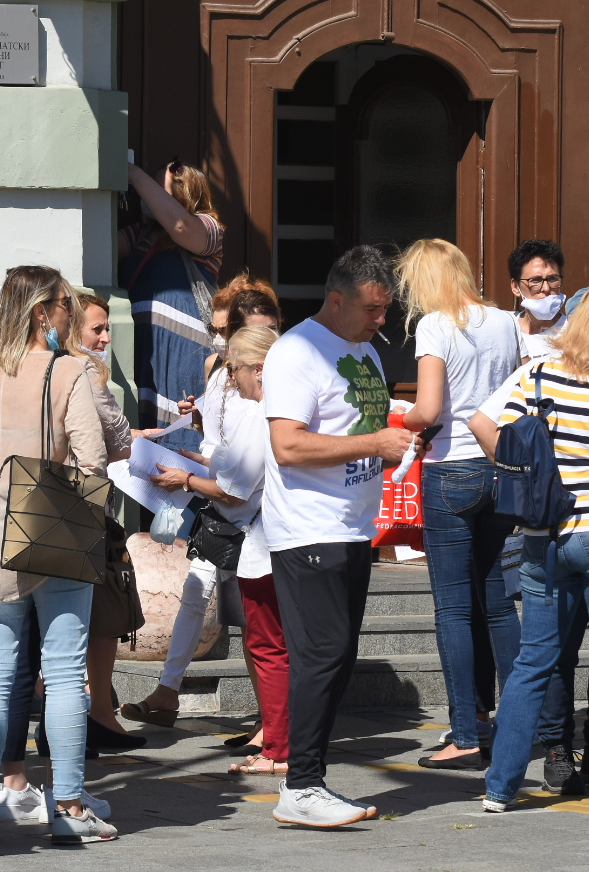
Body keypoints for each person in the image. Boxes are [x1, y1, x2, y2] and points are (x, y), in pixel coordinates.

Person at [0, 266, 117, 846]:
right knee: (67, 673)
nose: (71, 315)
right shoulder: (70, 370)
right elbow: (93, 460)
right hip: (55, 527)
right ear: (42, 311)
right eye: (66, 305)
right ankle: (68, 806)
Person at [263, 245, 416, 827]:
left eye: (386, 309)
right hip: (309, 527)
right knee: (321, 655)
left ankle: (307, 781)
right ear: (336, 299)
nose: (382, 321)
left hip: (353, 525)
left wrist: (398, 432)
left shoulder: (363, 351)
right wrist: (375, 445)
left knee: (336, 656)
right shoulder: (298, 351)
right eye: (373, 309)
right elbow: (289, 446)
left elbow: (360, 426)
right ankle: (300, 785)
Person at [481, 285, 589, 816]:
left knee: (534, 661)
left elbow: (499, 435)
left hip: (546, 539)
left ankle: (500, 787)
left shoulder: (538, 376)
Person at [120, 291, 281, 731]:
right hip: (225, 508)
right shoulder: (223, 374)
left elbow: (238, 478)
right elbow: (224, 448)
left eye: (224, 330)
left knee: (257, 624)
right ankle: (168, 693)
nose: (217, 338)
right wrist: (194, 433)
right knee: (198, 595)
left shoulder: (265, 398)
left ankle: (272, 724)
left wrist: (186, 477)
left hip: (252, 519)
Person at [394, 239, 524, 770]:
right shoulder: (504, 322)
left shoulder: (435, 326)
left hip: (450, 469)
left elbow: (428, 409)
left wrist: (398, 416)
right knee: (495, 600)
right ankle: (522, 718)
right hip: (498, 466)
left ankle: (465, 733)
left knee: (451, 607)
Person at [146, 327, 285, 774]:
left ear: (258, 368)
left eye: (237, 368)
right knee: (264, 640)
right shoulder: (260, 407)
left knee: (268, 643)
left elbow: (234, 490)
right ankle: (278, 736)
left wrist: (185, 479)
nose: (233, 377)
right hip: (256, 534)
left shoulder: (263, 410)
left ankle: (280, 743)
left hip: (259, 537)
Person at [68, 290, 151, 758]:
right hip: (84, 506)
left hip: (31, 506)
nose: (105, 337)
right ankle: (97, 714)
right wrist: (128, 435)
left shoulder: (15, 366)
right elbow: (116, 439)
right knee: (98, 616)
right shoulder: (81, 371)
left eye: (107, 327)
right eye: (96, 328)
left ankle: (94, 715)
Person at [119, 160, 223, 452]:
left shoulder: (209, 229)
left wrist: (134, 173)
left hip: (185, 353)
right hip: (145, 353)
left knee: (183, 436)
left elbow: (179, 226)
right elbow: (98, 249)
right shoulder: (141, 234)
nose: (146, 194)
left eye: (155, 188)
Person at [507, 239, 567, 361]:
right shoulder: (507, 329)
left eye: (552, 279)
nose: (546, 288)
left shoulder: (575, 332)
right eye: (535, 280)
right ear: (515, 287)